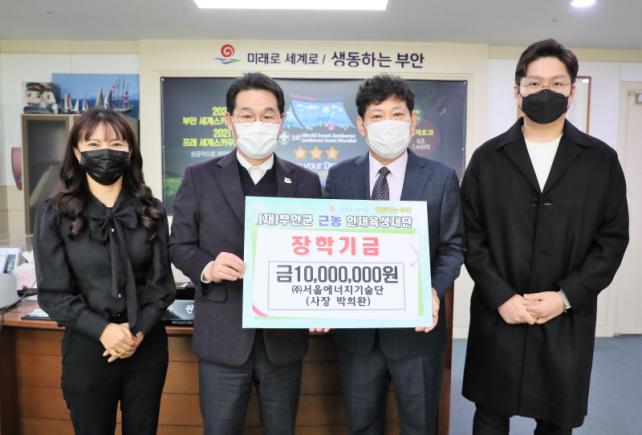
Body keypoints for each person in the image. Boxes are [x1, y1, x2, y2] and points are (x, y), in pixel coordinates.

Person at [461, 39, 629, 435]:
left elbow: (611, 240)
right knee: (490, 414)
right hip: (499, 312)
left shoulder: (601, 160)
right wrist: (501, 296)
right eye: (534, 83)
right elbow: (470, 235)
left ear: (572, 91)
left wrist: (566, 296)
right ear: (517, 90)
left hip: (565, 316)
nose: (545, 91)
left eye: (557, 83)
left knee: (556, 420)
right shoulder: (487, 158)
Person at [168, 72, 322, 435]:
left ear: (281, 121)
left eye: (268, 115)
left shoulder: (305, 182)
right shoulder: (199, 177)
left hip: (283, 340)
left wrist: (320, 305)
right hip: (223, 336)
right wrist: (207, 267)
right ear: (230, 120)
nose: (258, 124)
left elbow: (319, 251)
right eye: (247, 115)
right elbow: (179, 245)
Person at [324, 74, 465, 435]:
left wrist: (433, 290)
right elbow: (326, 244)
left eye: (397, 114)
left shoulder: (441, 178)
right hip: (357, 335)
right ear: (362, 125)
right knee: (361, 425)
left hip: (417, 333)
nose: (388, 123)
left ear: (412, 121)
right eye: (377, 115)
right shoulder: (339, 177)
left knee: (420, 426)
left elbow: (452, 247)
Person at [34, 108, 176, 435]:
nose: (106, 151)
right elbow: (53, 294)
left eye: (116, 143)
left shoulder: (152, 210)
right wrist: (104, 330)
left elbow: (161, 287)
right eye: (94, 144)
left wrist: (136, 333)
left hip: (146, 346)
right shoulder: (54, 213)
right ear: (77, 152)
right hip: (87, 346)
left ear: (129, 150)